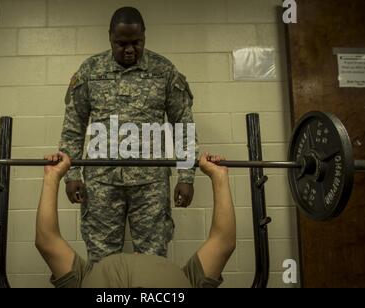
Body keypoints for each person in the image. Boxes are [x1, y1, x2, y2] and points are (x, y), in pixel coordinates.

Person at [59, 6, 198, 263]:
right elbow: (73, 126)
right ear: (109, 38)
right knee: (102, 260)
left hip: (150, 185)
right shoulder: (91, 70)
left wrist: (186, 175)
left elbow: (183, 125)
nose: (130, 49)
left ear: (144, 37)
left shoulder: (163, 70)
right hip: (101, 182)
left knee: (153, 260)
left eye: (137, 42)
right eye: (121, 43)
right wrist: (72, 173)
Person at [35, 152, 235, 288]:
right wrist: (220, 178)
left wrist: (51, 178)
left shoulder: (84, 279)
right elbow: (223, 242)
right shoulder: (188, 282)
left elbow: (47, 241)